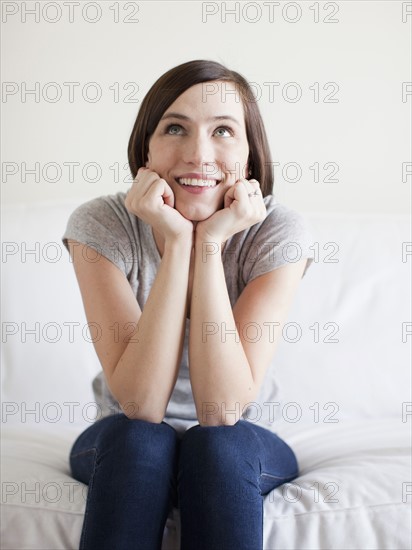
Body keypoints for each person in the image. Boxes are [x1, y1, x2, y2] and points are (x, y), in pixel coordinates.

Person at [62, 59, 314, 550]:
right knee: (139, 439)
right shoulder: (101, 224)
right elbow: (140, 405)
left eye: (223, 130)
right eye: (175, 127)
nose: (199, 154)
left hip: (241, 440)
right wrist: (179, 242)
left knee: (217, 445)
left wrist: (211, 241)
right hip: (125, 441)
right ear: (145, 148)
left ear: (250, 156)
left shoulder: (278, 231)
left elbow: (221, 410)